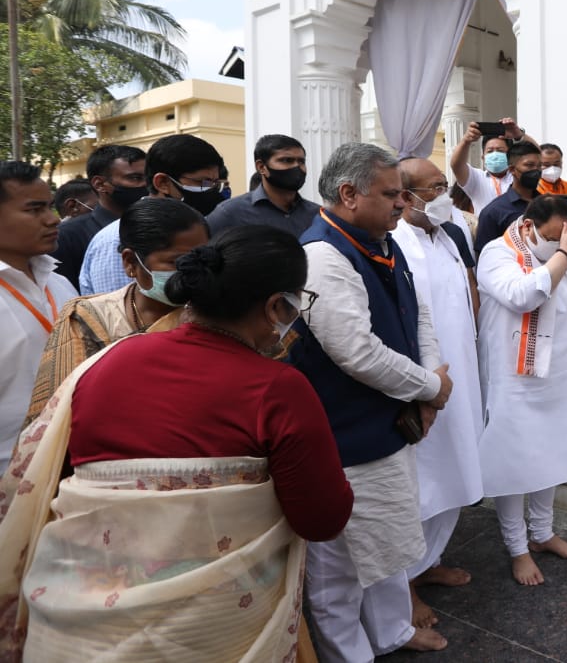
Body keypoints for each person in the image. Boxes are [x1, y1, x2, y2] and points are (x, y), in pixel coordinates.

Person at [0, 225, 354, 660]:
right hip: (209, 632)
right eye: (300, 301)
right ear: (276, 305)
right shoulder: (278, 388)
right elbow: (321, 519)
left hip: (75, 625)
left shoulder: (104, 364)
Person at [291, 142, 454, 659]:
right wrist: (430, 388)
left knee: (385, 545)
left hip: (391, 421)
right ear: (349, 194)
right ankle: (350, 652)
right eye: (390, 194)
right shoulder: (322, 255)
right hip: (344, 434)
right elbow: (356, 352)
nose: (402, 203)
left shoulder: (381, 241)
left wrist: (430, 383)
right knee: (339, 562)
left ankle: (392, 631)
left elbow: (417, 312)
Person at [476, 195, 567, 585]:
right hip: (514, 378)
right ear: (528, 226)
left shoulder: (564, 251)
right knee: (514, 462)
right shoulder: (497, 253)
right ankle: (517, 548)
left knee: (552, 454)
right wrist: (564, 253)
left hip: (561, 372)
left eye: (563, 238)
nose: (556, 245)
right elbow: (523, 294)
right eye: (551, 238)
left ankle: (543, 533)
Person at [24, 199, 208, 430]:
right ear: (130, 261)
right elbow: (58, 415)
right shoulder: (89, 317)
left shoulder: (219, 313)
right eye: (175, 262)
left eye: (198, 260)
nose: (188, 271)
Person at [393, 157, 483, 612]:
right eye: (433, 187)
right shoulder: (393, 241)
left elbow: (467, 292)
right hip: (419, 377)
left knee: (455, 467)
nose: (444, 194)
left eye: (445, 184)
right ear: (404, 196)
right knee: (420, 480)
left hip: (461, 372)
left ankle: (429, 561)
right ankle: (403, 585)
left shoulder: (451, 234)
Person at [0, 162, 78, 473]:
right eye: (35, 210)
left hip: (67, 465)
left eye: (50, 206)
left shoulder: (60, 284)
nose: (52, 220)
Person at [80, 135, 226, 296]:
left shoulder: (201, 226)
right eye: (202, 183)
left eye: (214, 183)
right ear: (162, 183)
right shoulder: (116, 239)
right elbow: (117, 314)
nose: (211, 191)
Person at [50, 144, 147, 291]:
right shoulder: (67, 236)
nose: (145, 184)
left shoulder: (158, 225)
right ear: (100, 184)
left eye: (148, 177)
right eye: (135, 178)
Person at [206, 133, 320, 237]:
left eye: (301, 162)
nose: (296, 167)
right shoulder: (230, 213)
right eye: (287, 160)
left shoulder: (318, 215)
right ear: (261, 167)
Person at [449, 118, 536, 214]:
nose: (495, 155)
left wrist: (519, 135)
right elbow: (456, 165)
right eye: (490, 151)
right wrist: (466, 141)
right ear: (483, 157)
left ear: (510, 156)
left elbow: (539, 158)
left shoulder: (518, 176)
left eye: (500, 150)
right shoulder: (476, 178)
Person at [473, 140, 544, 255]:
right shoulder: (493, 212)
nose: (536, 171)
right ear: (512, 170)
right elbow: (485, 256)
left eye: (539, 166)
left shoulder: (548, 205)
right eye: (529, 165)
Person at [538, 143, 567, 217]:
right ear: (537, 165)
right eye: (546, 165)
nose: (552, 168)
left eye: (556, 164)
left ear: (561, 163)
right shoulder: (532, 190)